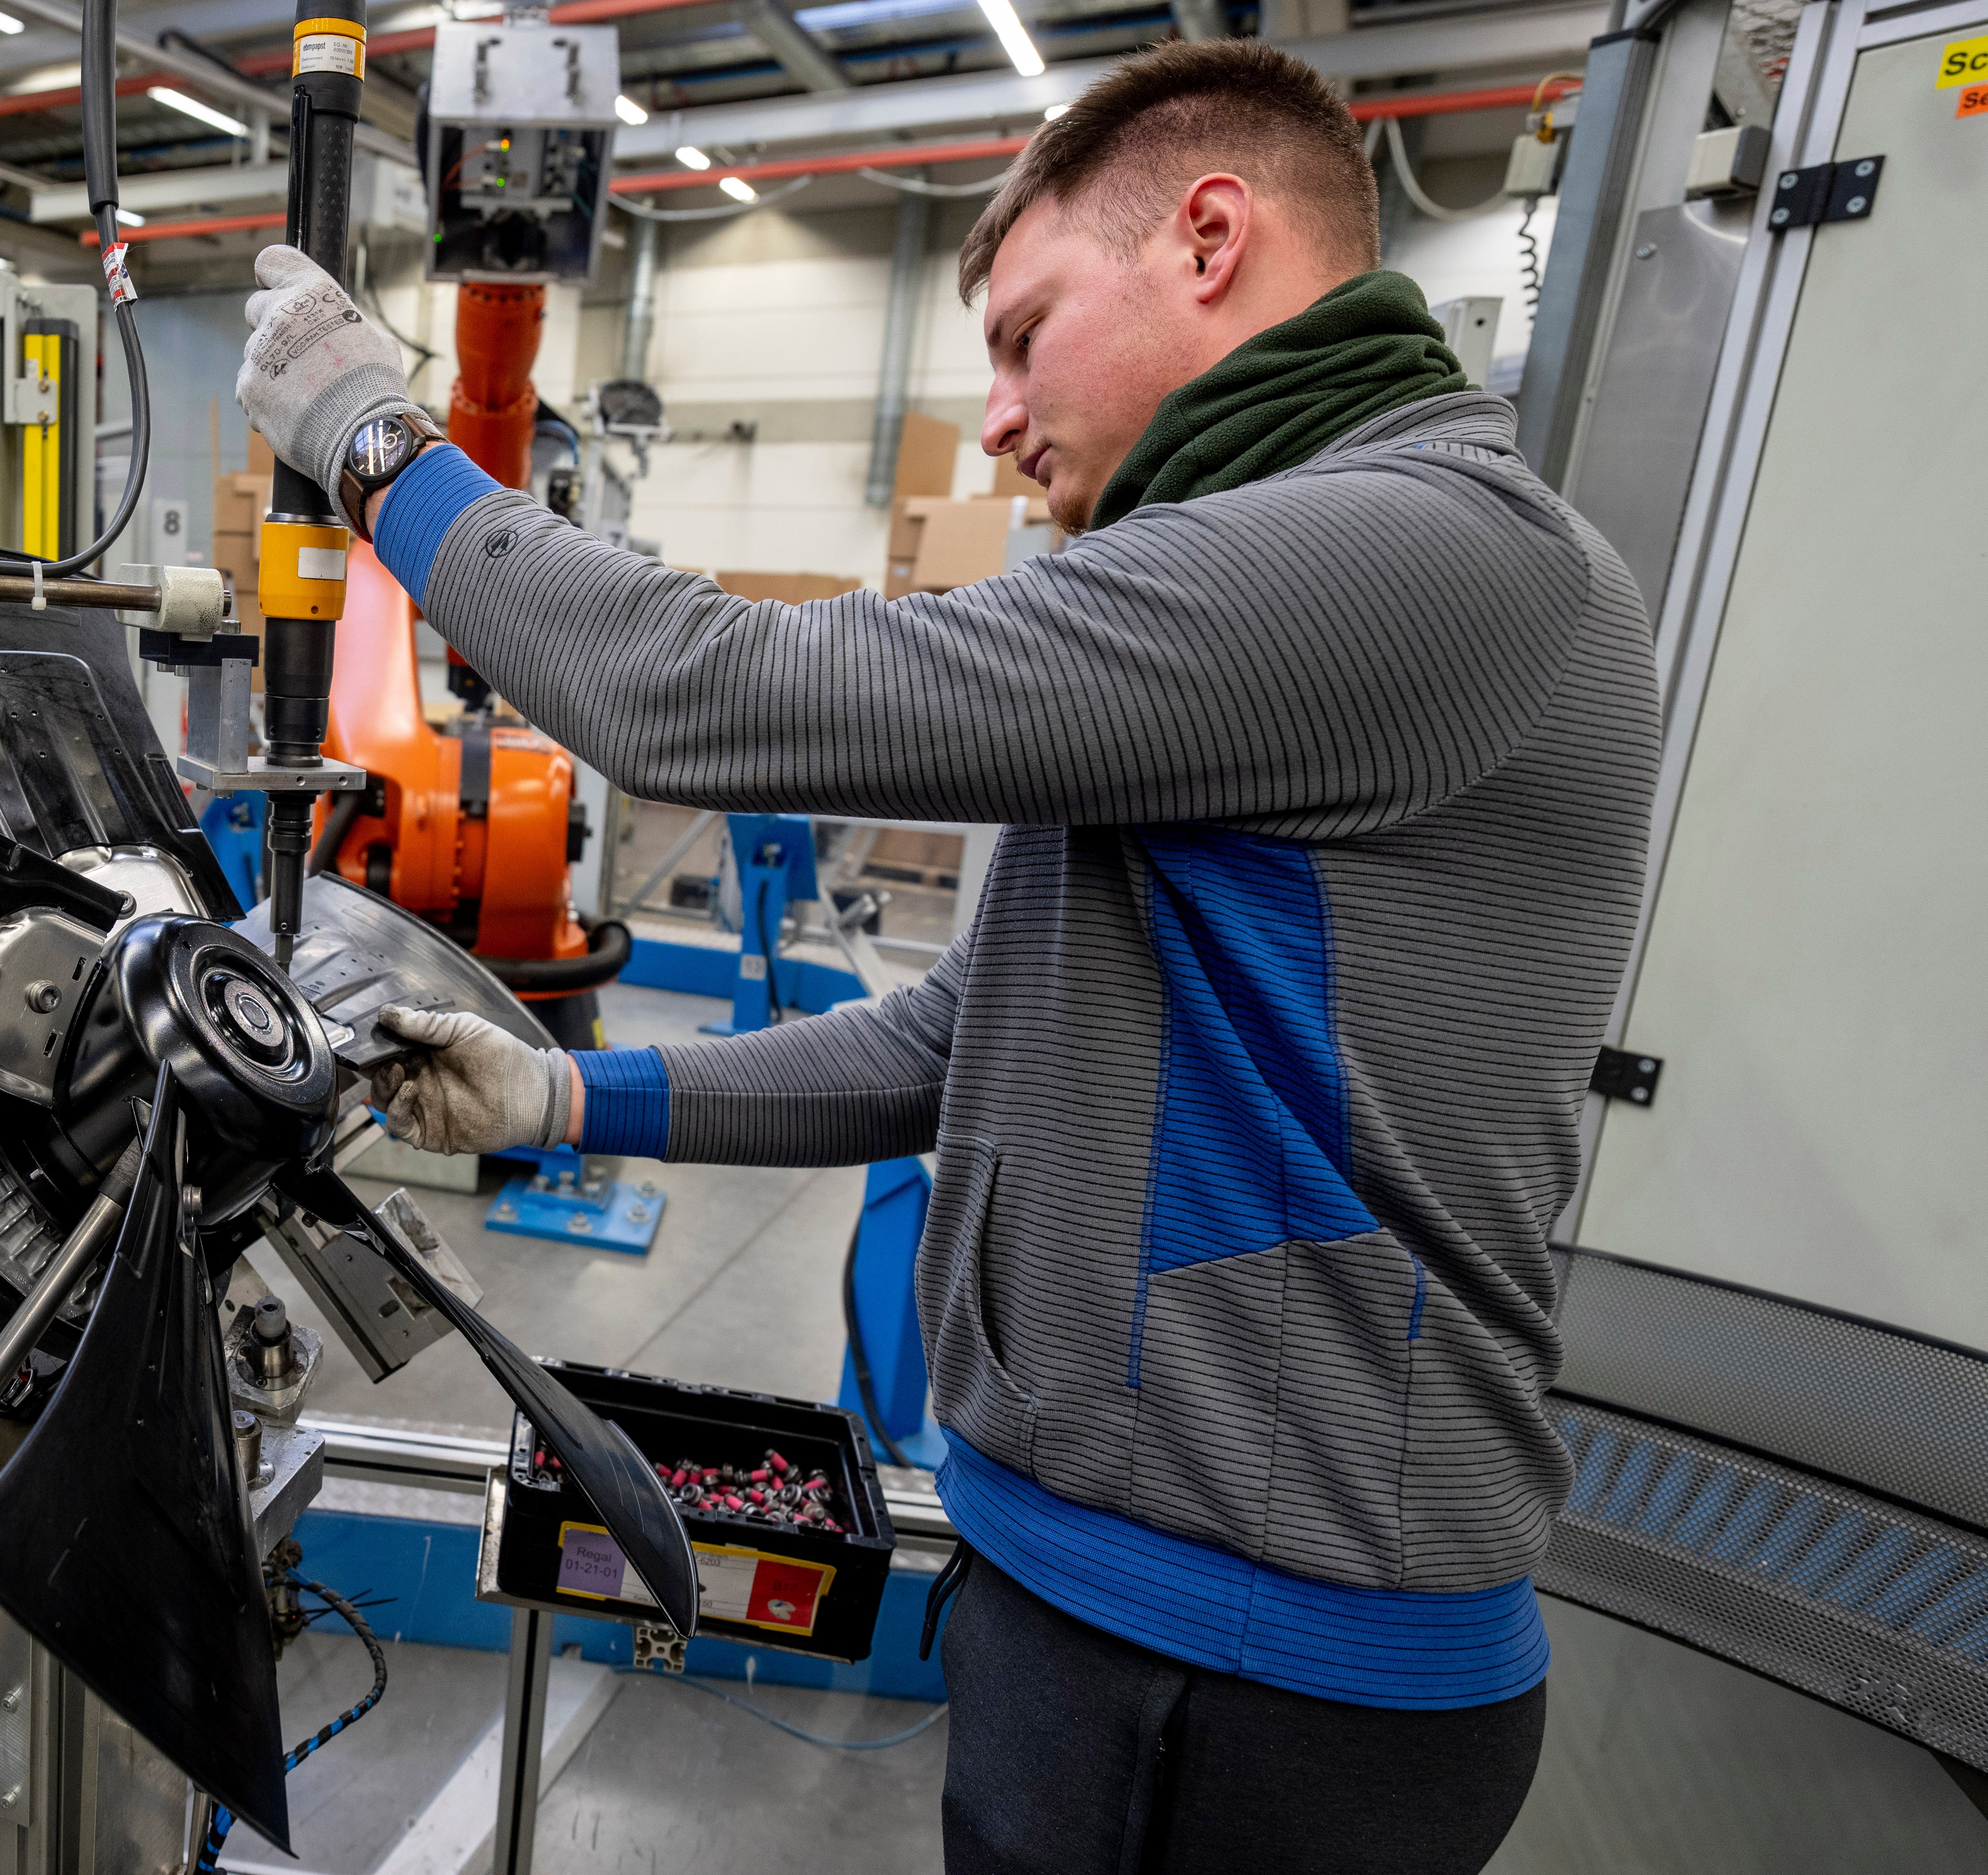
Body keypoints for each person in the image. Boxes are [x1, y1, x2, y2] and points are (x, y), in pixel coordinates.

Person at [239, 37, 1657, 1874]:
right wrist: (571, 1087)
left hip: (1252, 1671)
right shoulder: (1239, 609)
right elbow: (950, 1039)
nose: (991, 417)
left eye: (1019, 330)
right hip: (1106, 1606)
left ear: (1207, 240)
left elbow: (707, 688)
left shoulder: (1421, 553)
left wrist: (377, 445)